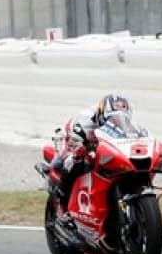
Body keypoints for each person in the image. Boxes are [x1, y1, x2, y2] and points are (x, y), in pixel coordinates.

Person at [49, 93, 134, 223]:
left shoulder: (125, 122)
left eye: (121, 118)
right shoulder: (85, 120)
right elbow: (76, 141)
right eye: (112, 119)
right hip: (71, 138)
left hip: (97, 140)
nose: (116, 121)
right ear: (101, 114)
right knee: (72, 159)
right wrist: (84, 147)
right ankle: (60, 201)